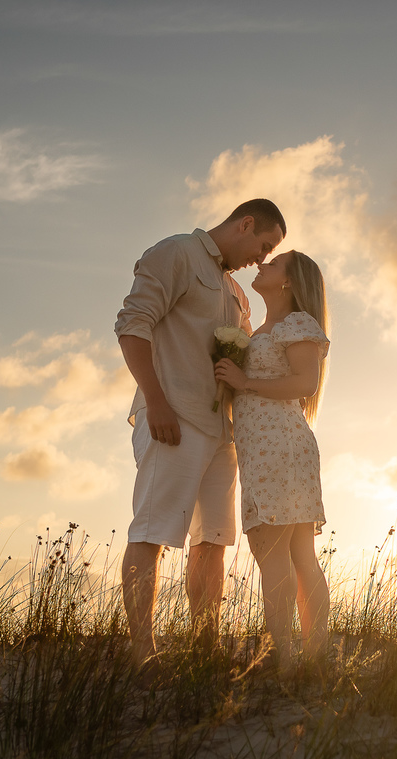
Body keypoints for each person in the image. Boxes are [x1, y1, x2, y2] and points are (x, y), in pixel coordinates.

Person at [114, 198, 286, 669]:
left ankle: (204, 647)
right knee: (152, 531)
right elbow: (132, 325)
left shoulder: (236, 293)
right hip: (174, 417)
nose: (261, 259)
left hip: (222, 432)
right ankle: (143, 654)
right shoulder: (176, 253)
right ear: (245, 224)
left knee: (213, 540)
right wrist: (156, 402)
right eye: (263, 246)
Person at [214, 251, 331, 671]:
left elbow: (305, 382)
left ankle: (286, 659)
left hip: (278, 446)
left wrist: (244, 381)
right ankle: (310, 658)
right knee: (294, 553)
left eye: (274, 263)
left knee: (279, 554)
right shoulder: (262, 329)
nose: (262, 265)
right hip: (268, 447)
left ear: (289, 282)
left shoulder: (296, 323)